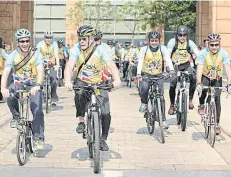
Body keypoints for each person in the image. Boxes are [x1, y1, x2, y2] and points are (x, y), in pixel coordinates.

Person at [64, 25, 121, 151]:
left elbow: (111, 65)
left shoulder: (101, 50)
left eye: (84, 39)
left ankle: (103, 139)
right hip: (82, 81)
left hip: (99, 83)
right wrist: (67, 80)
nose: (81, 42)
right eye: (80, 39)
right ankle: (81, 121)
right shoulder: (76, 49)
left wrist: (116, 79)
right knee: (79, 93)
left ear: (91, 38)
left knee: (106, 113)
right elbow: (69, 66)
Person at [0, 29, 45, 149]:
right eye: (22, 41)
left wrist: (38, 85)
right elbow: (6, 72)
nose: (25, 44)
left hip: (33, 85)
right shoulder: (13, 55)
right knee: (9, 93)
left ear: (30, 41)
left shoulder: (36, 54)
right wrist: (3, 88)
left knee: (37, 111)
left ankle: (38, 137)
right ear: (18, 43)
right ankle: (16, 116)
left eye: (27, 41)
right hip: (19, 84)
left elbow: (40, 70)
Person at [137, 30, 174, 129]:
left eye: (156, 40)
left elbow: (168, 59)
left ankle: (163, 119)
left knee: (161, 97)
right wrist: (138, 74)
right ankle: (144, 103)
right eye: (152, 40)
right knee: (144, 89)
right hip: (146, 74)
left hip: (158, 75)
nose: (154, 42)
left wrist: (171, 70)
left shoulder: (163, 49)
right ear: (149, 41)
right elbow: (140, 61)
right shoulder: (144, 49)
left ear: (159, 40)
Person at [196, 33, 231, 135]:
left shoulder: (224, 53)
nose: (214, 47)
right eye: (212, 45)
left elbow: (228, 70)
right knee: (202, 90)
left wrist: (229, 84)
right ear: (208, 44)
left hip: (217, 78)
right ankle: (201, 104)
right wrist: (199, 83)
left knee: (216, 99)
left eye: (216, 45)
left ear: (219, 44)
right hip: (205, 76)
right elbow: (199, 69)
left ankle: (216, 124)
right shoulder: (203, 53)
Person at [167, 25, 200, 114]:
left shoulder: (190, 43)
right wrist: (170, 69)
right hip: (175, 65)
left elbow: (198, 53)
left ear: (187, 35)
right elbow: (167, 55)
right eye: (180, 35)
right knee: (173, 84)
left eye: (184, 35)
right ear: (177, 35)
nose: (182, 37)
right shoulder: (172, 42)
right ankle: (172, 105)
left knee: (193, 78)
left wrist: (198, 58)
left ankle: (190, 99)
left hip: (186, 65)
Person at [36, 31, 59, 106]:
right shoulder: (40, 44)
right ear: (44, 38)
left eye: (50, 38)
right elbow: (36, 55)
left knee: (54, 81)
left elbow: (56, 55)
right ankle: (40, 95)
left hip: (51, 65)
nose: (49, 39)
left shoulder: (54, 44)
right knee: (40, 80)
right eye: (47, 37)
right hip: (42, 64)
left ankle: (53, 97)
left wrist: (57, 65)